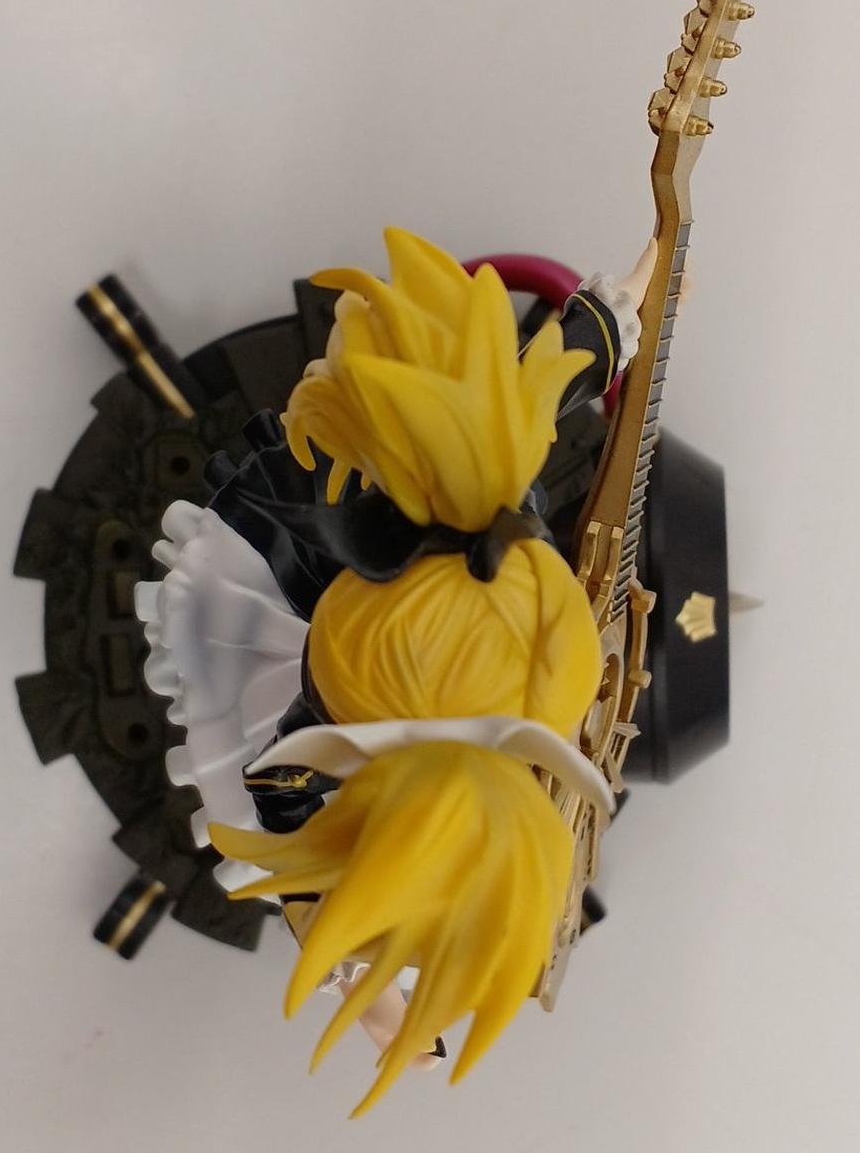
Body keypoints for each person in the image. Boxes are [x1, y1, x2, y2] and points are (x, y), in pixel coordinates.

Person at [139, 227, 656, 1115]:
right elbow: (536, 390)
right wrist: (373, 991)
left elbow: (547, 382)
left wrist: (624, 305)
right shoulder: (467, 521)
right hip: (307, 606)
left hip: (332, 644)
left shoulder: (484, 532)